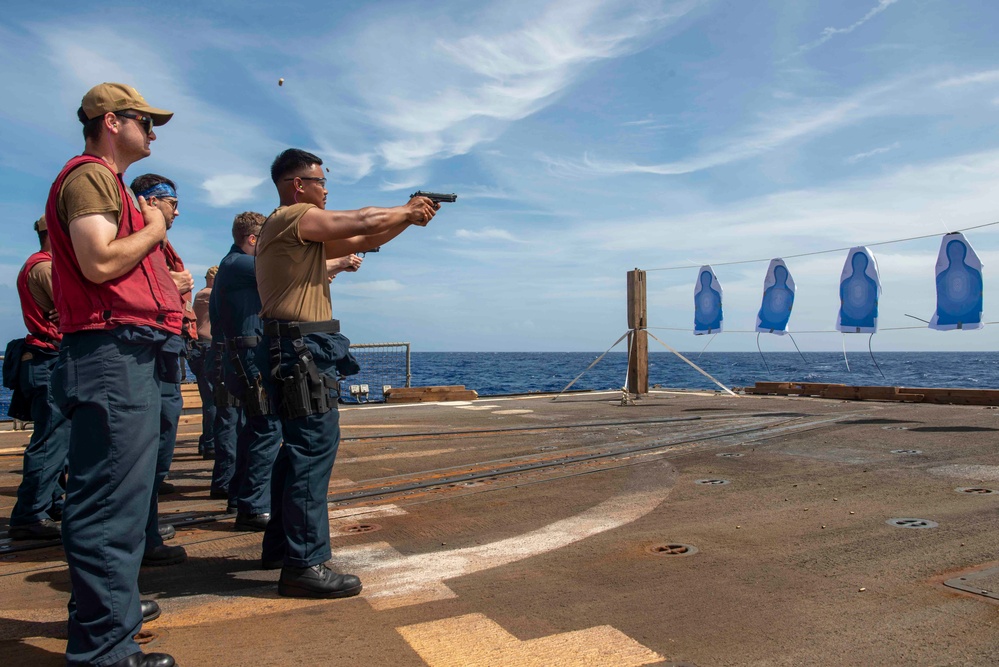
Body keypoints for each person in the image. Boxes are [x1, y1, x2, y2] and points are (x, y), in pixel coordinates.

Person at [255, 148, 437, 598]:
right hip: (301, 348)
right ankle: (304, 564)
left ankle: (282, 548)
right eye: (319, 182)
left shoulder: (296, 234)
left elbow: (362, 240)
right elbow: (361, 220)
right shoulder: (294, 216)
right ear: (298, 185)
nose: (325, 190)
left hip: (295, 345)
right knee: (312, 451)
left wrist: (407, 220)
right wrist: (406, 209)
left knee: (296, 451)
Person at [45, 82, 179, 667]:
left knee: (121, 500)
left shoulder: (112, 184)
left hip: (127, 352)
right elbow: (100, 262)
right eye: (145, 122)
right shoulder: (91, 177)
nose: (152, 133)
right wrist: (154, 229)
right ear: (111, 121)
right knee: (108, 505)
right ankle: (102, 650)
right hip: (110, 353)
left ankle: (108, 618)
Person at [215, 211, 364, 533]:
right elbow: (286, 273)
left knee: (256, 428)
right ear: (254, 240)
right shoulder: (240, 263)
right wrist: (337, 263)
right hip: (248, 357)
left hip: (248, 355)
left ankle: (242, 496)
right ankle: (254, 507)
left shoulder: (234, 266)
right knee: (266, 429)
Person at [129, 173, 193, 567]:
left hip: (165, 347)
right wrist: (171, 281)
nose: (177, 210)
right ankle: (143, 534)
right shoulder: (141, 234)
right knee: (147, 440)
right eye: (172, 202)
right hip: (148, 347)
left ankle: (146, 527)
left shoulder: (156, 241)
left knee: (161, 433)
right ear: (151, 201)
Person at [8, 215, 72, 541]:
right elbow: (72, 307)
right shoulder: (46, 267)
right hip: (48, 359)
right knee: (50, 441)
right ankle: (29, 514)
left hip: (45, 359)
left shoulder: (39, 265)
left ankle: (48, 502)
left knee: (56, 438)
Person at [189, 266, 218, 458]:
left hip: (201, 349)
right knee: (213, 399)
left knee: (211, 399)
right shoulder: (206, 295)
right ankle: (210, 444)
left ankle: (206, 441)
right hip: (206, 348)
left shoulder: (201, 295)